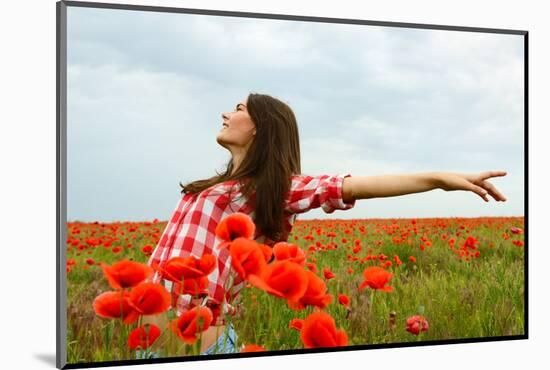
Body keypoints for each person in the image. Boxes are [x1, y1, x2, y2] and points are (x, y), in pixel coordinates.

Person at [138, 92, 507, 357]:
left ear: (259, 128)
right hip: (149, 345)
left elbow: (352, 186)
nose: (225, 113)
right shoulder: (213, 187)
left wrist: (440, 178)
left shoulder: (271, 189)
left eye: (237, 109)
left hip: (202, 346)